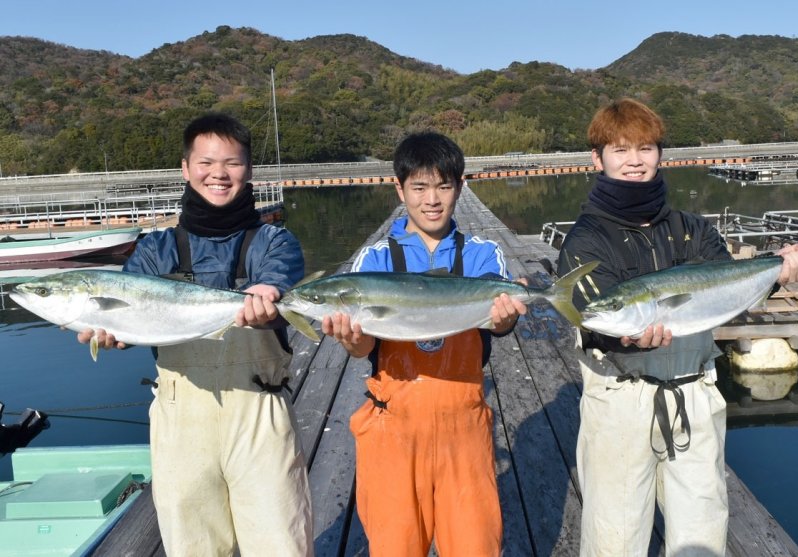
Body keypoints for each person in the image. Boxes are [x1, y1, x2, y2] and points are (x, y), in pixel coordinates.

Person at [557, 98, 798, 556]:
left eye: (645, 148)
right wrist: (628, 338)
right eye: (620, 150)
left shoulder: (694, 229)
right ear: (597, 159)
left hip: (694, 395)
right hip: (620, 399)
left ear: (660, 154)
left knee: (701, 535)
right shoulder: (586, 240)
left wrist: (778, 274)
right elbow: (592, 315)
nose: (634, 160)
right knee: (614, 539)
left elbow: (726, 299)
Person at [78, 113, 313, 556]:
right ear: (185, 169)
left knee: (282, 540)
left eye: (232, 163)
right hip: (179, 414)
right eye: (206, 162)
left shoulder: (273, 242)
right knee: (193, 546)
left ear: (249, 170)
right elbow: (126, 314)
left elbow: (279, 275)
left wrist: (268, 292)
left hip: (259, 410)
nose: (219, 174)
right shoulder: (153, 250)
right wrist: (114, 333)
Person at [321, 131, 527, 557]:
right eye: (419, 187)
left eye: (443, 186)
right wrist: (350, 339)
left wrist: (505, 319)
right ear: (399, 189)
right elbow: (364, 351)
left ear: (460, 187)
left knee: (476, 547)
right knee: (395, 548)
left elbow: (497, 325)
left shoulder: (482, 255)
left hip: (464, 429)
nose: (431, 199)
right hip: (394, 429)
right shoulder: (374, 262)